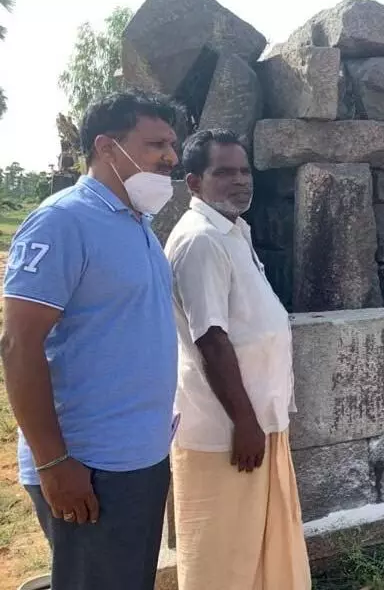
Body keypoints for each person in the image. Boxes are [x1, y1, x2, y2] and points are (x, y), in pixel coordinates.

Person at [1, 90, 182, 590]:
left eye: (172, 144)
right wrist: (55, 463)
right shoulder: (64, 221)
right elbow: (18, 345)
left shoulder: (138, 224)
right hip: (88, 465)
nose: (171, 155)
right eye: (156, 144)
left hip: (139, 455)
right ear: (107, 146)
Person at [164, 129, 311, 590]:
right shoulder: (201, 240)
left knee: (259, 550)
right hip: (224, 430)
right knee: (222, 558)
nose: (240, 181)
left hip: (257, 422)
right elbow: (210, 339)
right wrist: (244, 423)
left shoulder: (232, 231)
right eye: (224, 172)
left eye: (245, 170)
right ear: (193, 182)